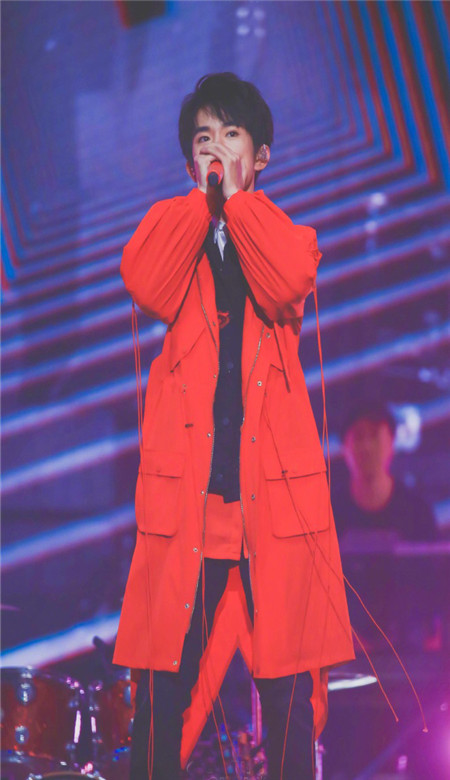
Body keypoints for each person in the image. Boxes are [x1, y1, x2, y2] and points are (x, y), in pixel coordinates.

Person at [113, 72, 355, 780]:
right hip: (190, 501)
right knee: (163, 689)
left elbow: (285, 282)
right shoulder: (177, 233)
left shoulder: (286, 236)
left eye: (230, 135)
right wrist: (204, 202)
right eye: (202, 140)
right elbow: (143, 280)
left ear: (262, 154)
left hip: (270, 503)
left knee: (285, 692)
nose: (215, 149)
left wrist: (239, 204)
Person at [333, 401, 437, 542]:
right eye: (359, 436)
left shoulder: (418, 513)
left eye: (374, 435)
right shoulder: (329, 514)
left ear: (392, 442)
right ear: (344, 447)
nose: (367, 447)